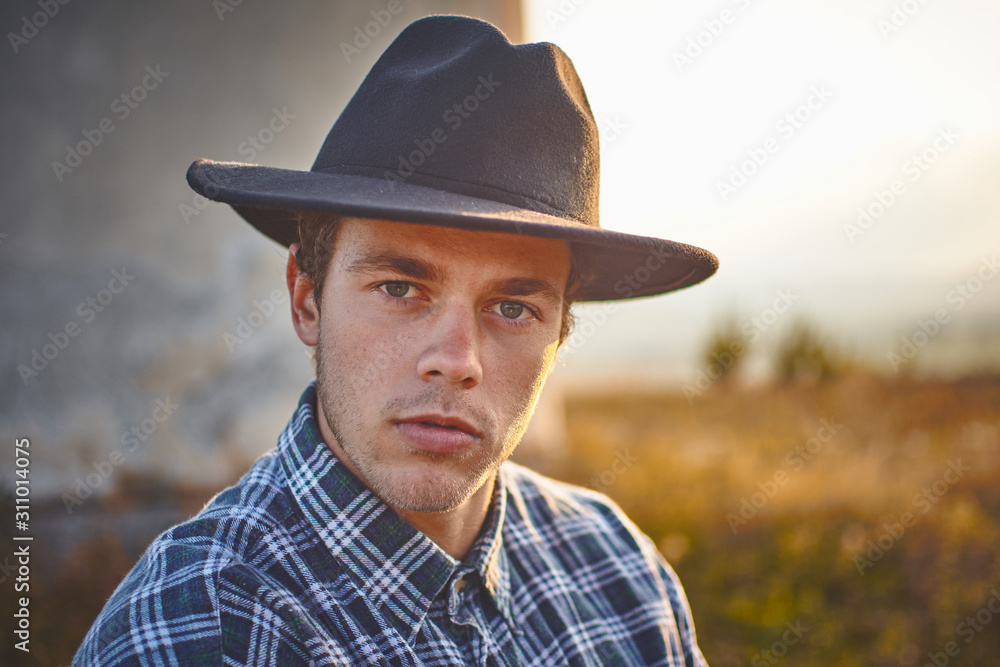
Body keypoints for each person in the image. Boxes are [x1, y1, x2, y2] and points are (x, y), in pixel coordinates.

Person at [75, 15, 717, 667]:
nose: (456, 360)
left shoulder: (619, 570)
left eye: (514, 306)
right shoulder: (210, 630)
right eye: (399, 288)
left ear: (560, 333)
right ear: (307, 300)